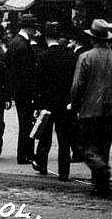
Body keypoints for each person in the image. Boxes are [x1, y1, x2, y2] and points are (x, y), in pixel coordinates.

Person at [70, 18, 112, 197]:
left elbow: (77, 86)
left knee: (86, 147)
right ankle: (100, 185)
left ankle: (101, 171)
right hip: (110, 111)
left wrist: (75, 104)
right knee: (104, 146)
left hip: (90, 109)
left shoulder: (85, 57)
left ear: (92, 39)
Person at [34, 21, 77, 179]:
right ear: (59, 37)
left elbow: (39, 83)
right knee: (64, 138)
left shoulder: (43, 57)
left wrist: (38, 105)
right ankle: (64, 172)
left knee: (45, 135)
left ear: (46, 37)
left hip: (47, 103)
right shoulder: (70, 56)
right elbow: (74, 81)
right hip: (65, 103)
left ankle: (42, 165)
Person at [7, 14, 42, 164]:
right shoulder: (23, 45)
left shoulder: (15, 42)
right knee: (27, 123)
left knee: (25, 123)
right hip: (25, 91)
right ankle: (25, 154)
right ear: (29, 28)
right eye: (34, 28)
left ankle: (25, 153)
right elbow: (28, 72)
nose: (35, 30)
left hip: (19, 90)